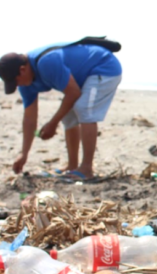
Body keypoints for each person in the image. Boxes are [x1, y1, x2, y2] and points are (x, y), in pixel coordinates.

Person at [0, 41, 122, 179]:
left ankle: (87, 168)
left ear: (22, 70)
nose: (18, 86)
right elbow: (29, 119)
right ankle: (72, 165)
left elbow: (73, 93)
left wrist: (52, 123)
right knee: (68, 116)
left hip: (104, 67)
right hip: (82, 78)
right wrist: (24, 154)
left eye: (16, 81)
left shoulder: (46, 62)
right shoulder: (25, 83)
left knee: (84, 109)